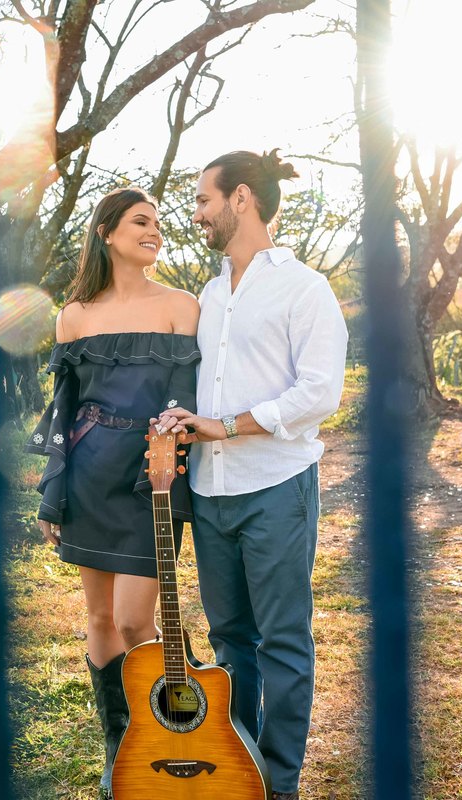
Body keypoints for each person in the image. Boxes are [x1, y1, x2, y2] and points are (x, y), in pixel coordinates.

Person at [156, 150, 347, 800]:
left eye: (204, 199)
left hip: (275, 489)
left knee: (282, 641)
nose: (197, 213)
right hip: (209, 494)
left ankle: (281, 785)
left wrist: (229, 425)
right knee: (230, 642)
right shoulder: (208, 296)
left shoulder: (304, 289)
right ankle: (242, 775)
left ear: (241, 198)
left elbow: (320, 393)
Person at [26, 186, 200, 799]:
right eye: (140, 221)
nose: (155, 231)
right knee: (99, 617)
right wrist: (53, 491)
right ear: (106, 232)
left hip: (152, 479)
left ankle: (169, 731)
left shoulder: (182, 306)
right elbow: (64, 410)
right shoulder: (73, 316)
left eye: (158, 224)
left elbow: (187, 404)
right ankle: (119, 744)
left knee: (135, 621)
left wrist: (171, 461)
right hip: (89, 478)